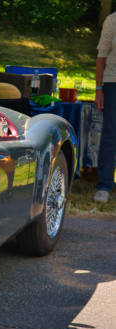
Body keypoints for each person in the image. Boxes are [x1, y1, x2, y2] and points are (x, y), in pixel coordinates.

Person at [95, 12, 116, 203]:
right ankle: (104, 185)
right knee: (111, 134)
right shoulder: (112, 20)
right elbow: (101, 57)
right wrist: (99, 89)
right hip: (112, 83)